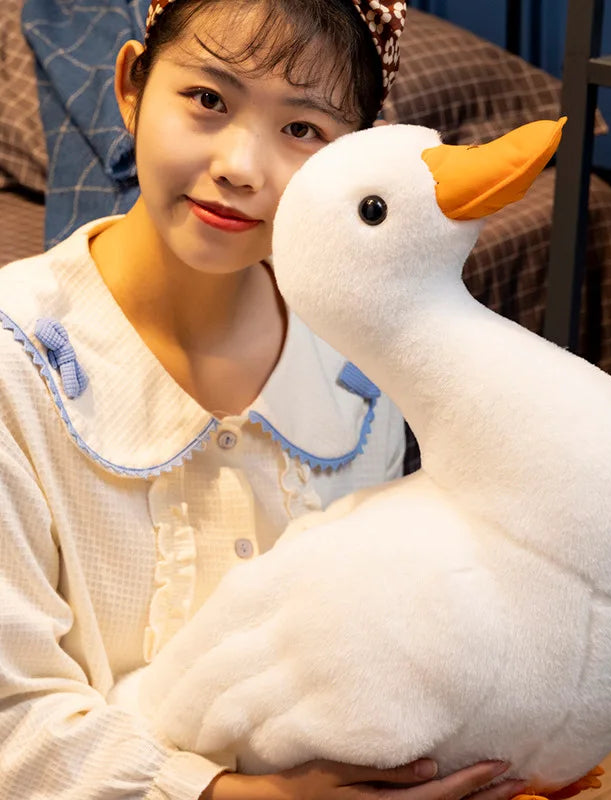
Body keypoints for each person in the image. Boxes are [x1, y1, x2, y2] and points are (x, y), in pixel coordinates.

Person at [0, 1, 533, 798]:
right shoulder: (19, 365)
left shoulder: (359, 364)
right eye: (208, 99)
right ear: (132, 86)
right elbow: (12, 716)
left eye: (302, 129)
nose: (242, 166)